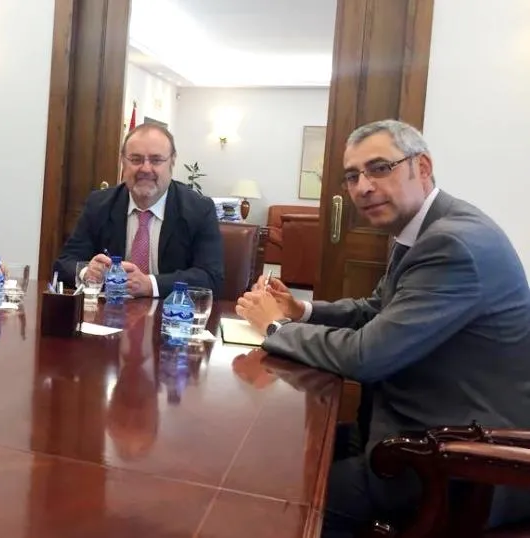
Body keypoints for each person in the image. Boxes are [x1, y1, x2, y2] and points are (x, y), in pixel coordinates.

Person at [235, 119, 530, 535]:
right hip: (410, 431)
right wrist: (301, 309)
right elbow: (376, 309)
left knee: (278, 498)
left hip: (460, 464)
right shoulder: (422, 228)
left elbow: (366, 356)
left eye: (379, 168)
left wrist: (276, 327)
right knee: (272, 451)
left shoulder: (454, 244)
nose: (362, 187)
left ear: (422, 167)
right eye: (352, 176)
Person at [53, 123, 224, 298]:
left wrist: (150, 284)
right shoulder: (99, 204)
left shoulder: (199, 209)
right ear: (123, 161)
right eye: (136, 159)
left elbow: (211, 277)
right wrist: (87, 272)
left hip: (169, 317)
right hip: (108, 315)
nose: (145, 169)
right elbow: (64, 263)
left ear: (172, 161)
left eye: (156, 160)